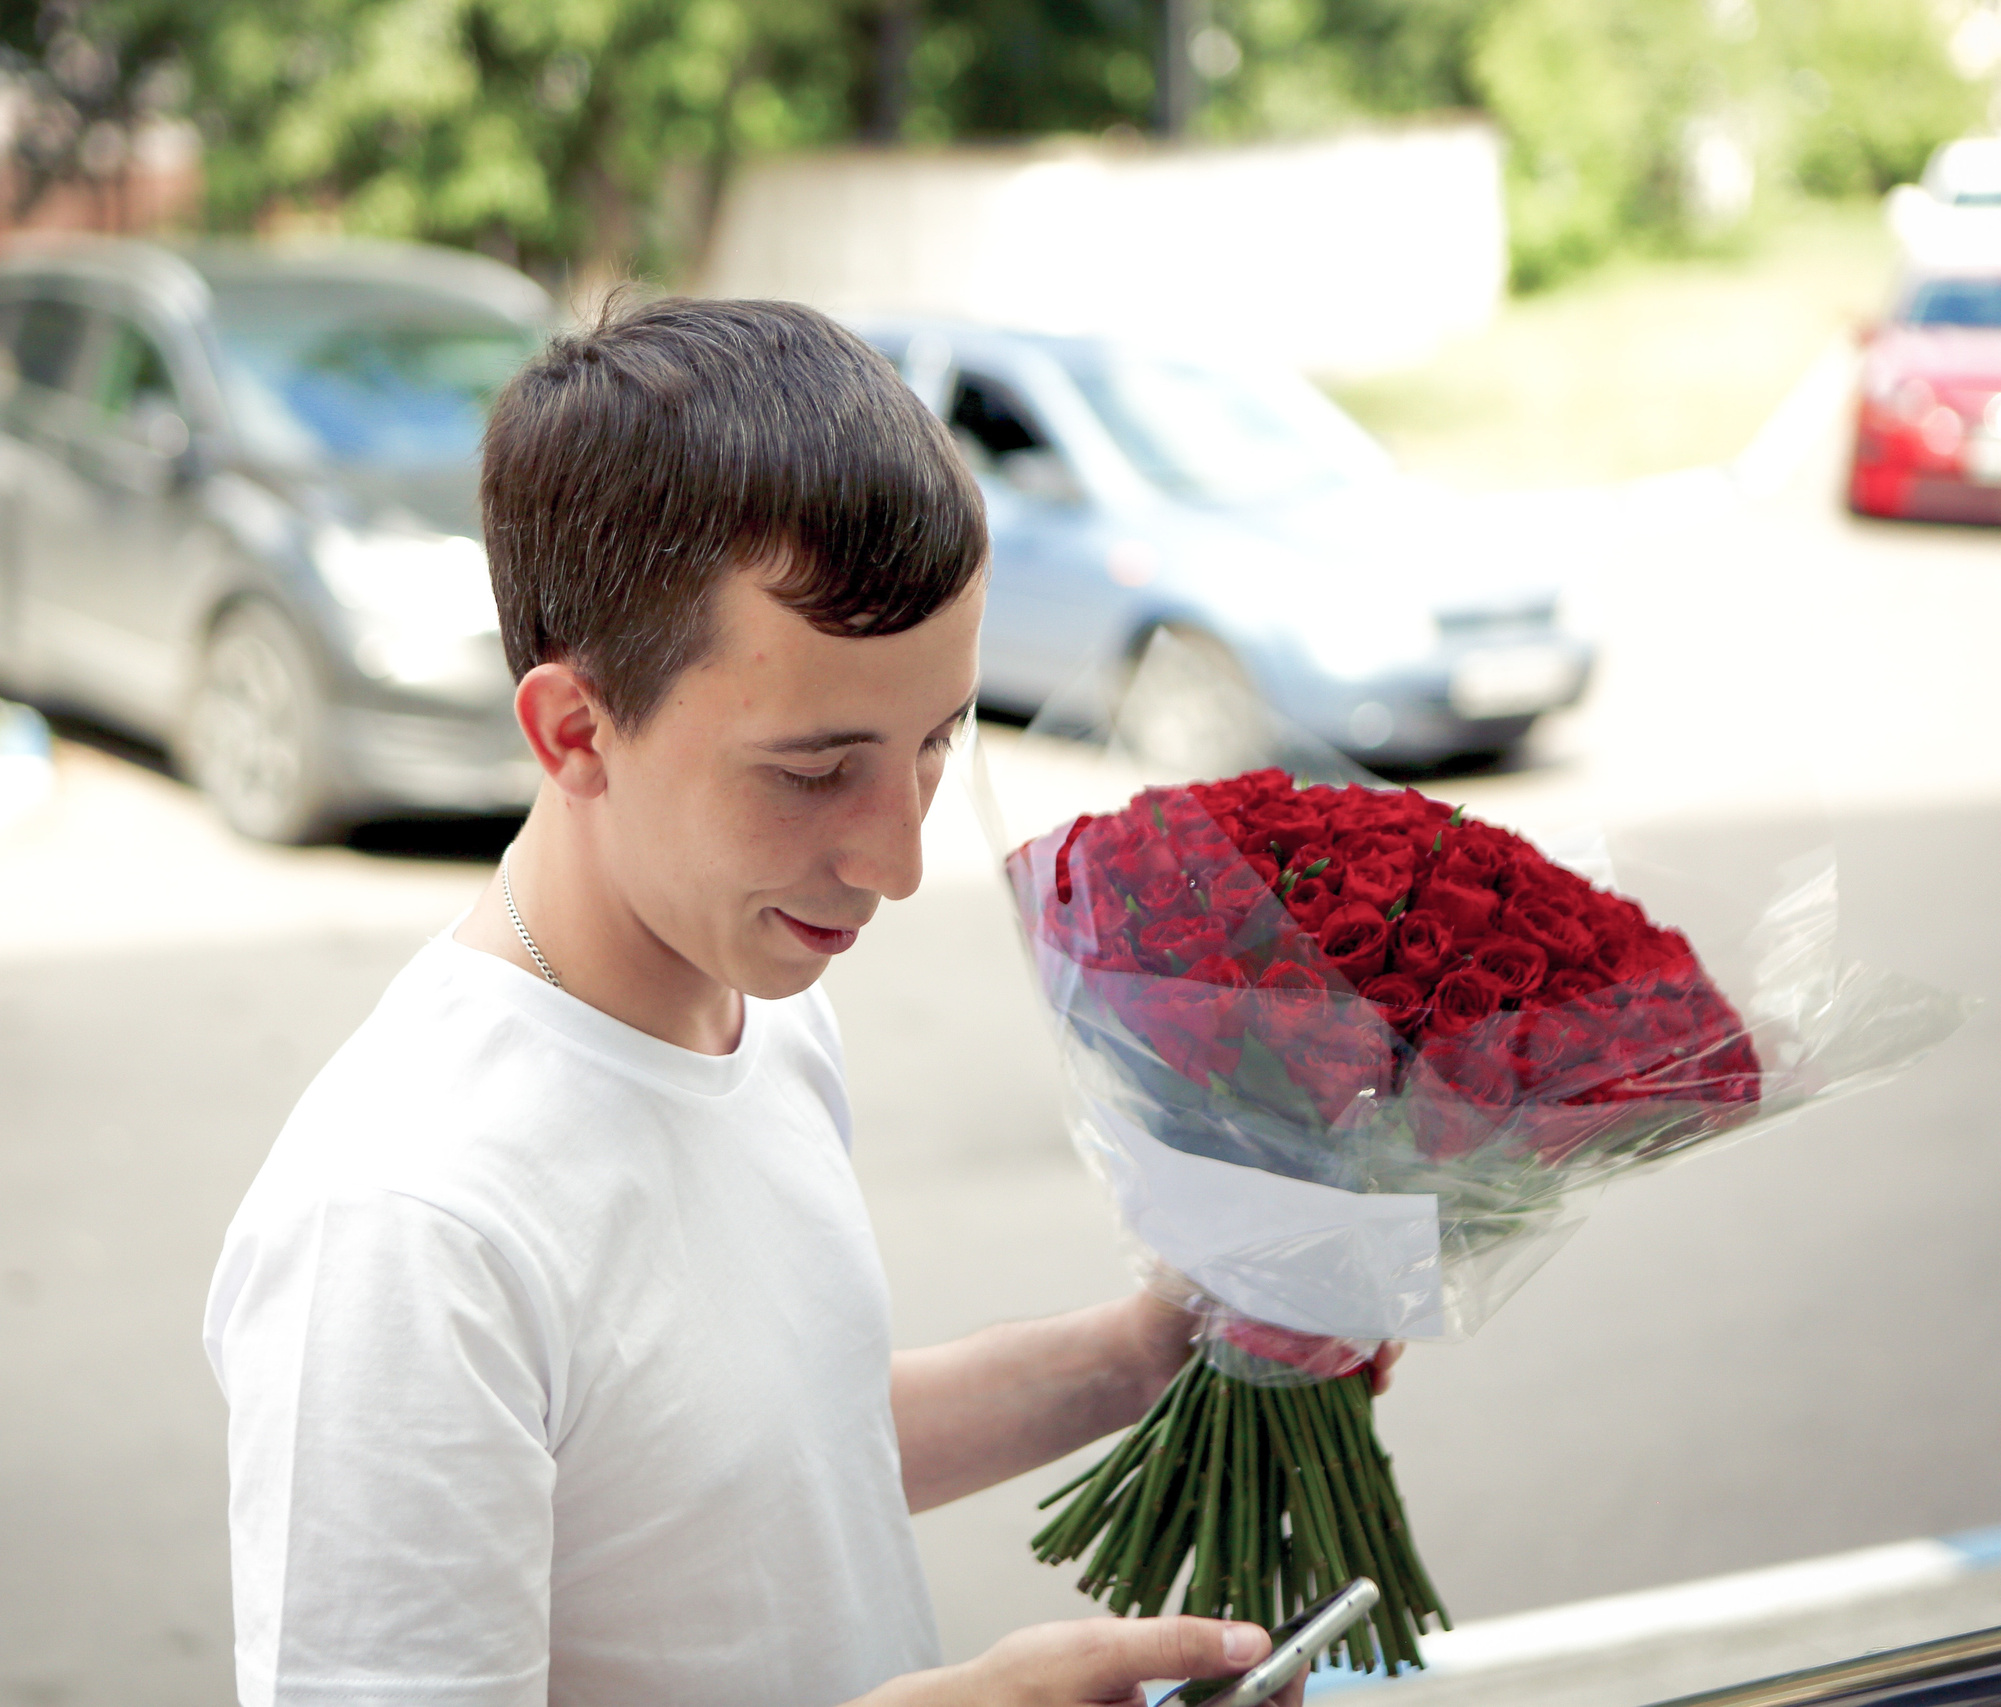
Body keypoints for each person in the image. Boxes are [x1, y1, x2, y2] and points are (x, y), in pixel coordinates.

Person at [203, 296, 1392, 1707]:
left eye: (937, 742)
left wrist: (1151, 1350)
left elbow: (758, 1459)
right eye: (816, 771)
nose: (898, 861)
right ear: (574, 732)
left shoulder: (759, 1005)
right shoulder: (403, 1223)